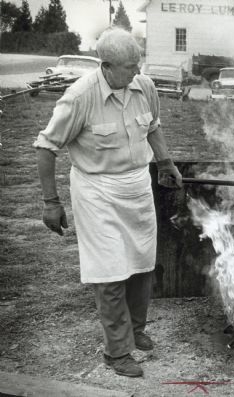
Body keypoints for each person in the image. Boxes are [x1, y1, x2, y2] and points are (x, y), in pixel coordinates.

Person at [33, 28, 183, 377]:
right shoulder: (80, 97)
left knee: (142, 263)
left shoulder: (143, 87)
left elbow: (153, 127)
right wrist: (51, 202)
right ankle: (116, 352)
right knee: (110, 271)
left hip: (136, 186)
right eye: (130, 66)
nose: (136, 71)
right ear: (106, 65)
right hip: (97, 191)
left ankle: (136, 329)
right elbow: (45, 146)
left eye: (138, 64)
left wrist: (165, 163)